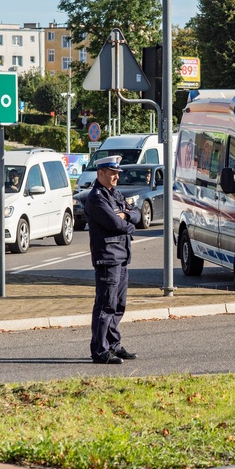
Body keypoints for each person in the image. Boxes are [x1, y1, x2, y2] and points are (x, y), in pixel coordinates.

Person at [84, 155, 141, 364]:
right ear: (101, 173)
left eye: (117, 173)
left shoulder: (114, 194)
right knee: (106, 305)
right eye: (113, 173)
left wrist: (125, 215)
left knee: (118, 304)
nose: (117, 176)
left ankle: (113, 345)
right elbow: (115, 224)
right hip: (107, 257)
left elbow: (135, 214)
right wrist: (125, 220)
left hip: (122, 255)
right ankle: (100, 350)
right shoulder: (97, 197)